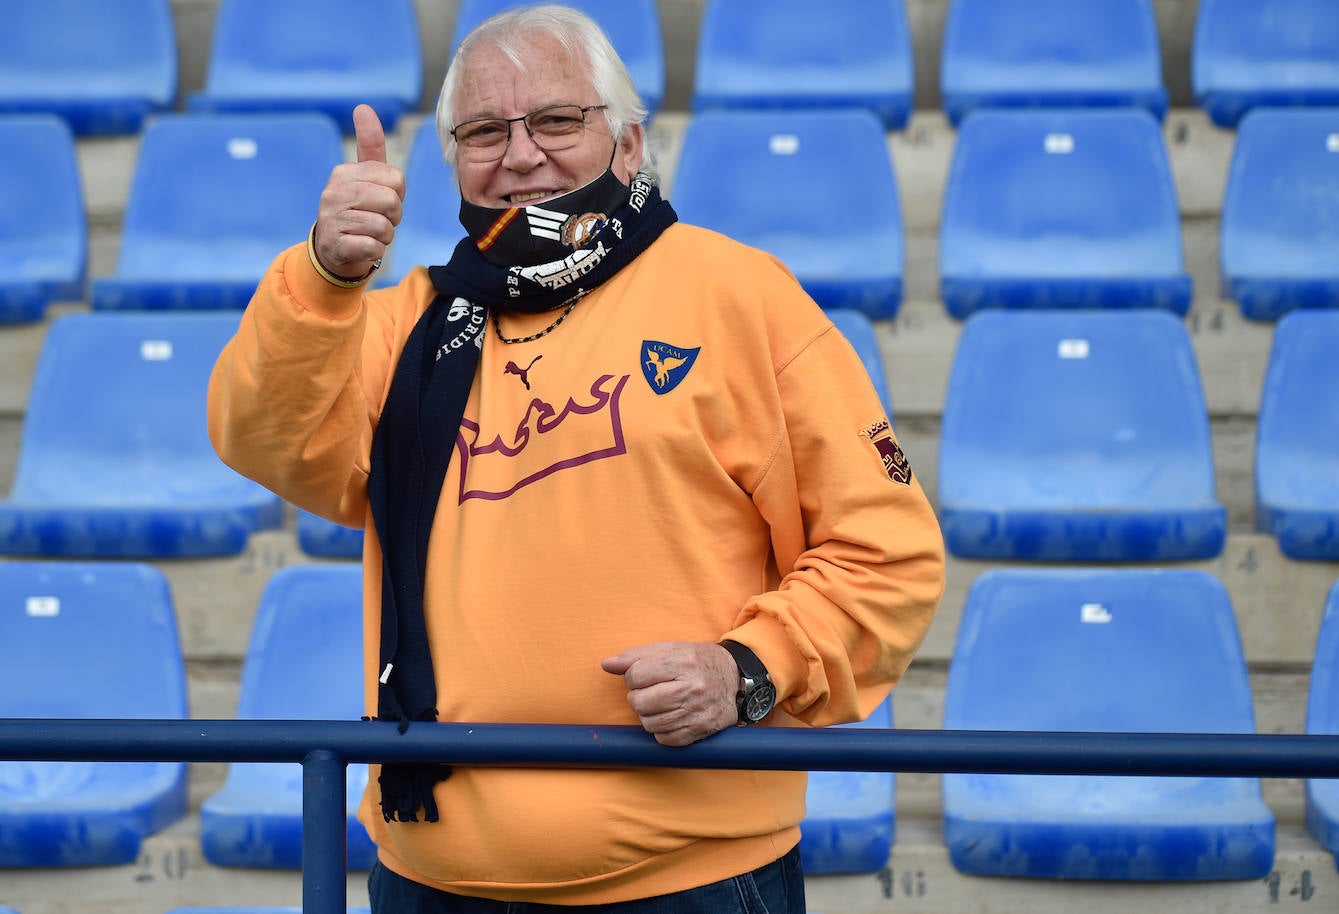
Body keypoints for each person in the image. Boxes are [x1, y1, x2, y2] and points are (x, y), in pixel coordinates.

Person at [208, 5, 944, 911]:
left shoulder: (740, 297)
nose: (520, 155)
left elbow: (887, 556)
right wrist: (324, 277)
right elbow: (262, 436)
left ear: (629, 145)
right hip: (430, 880)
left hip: (698, 883)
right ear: (454, 163)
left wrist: (746, 671)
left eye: (557, 120)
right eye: (484, 131)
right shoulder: (404, 321)